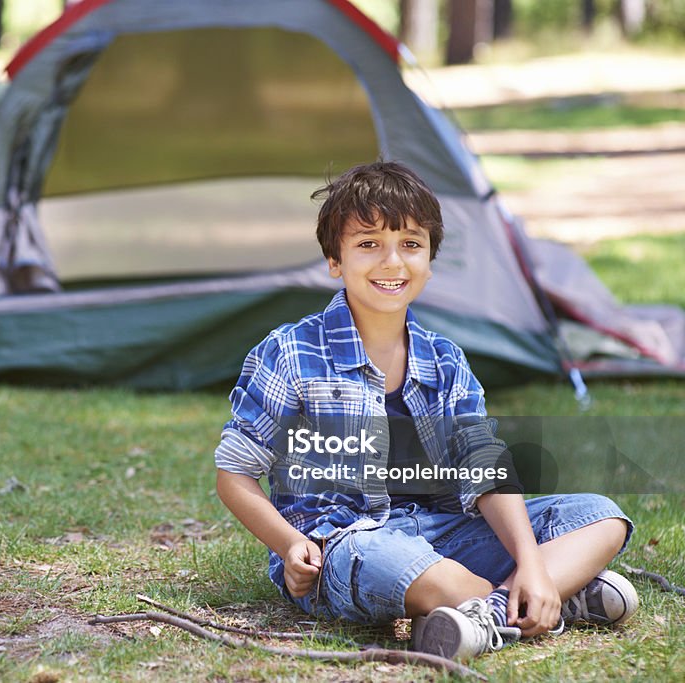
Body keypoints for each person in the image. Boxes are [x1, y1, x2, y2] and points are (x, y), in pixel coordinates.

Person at [213, 161, 637, 660]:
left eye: (410, 244)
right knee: (392, 562)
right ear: (335, 260)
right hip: (344, 544)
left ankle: (502, 605)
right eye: (368, 244)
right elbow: (233, 475)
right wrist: (288, 544)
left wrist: (533, 562)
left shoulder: (445, 359)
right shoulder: (290, 353)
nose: (392, 262)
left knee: (600, 517)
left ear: (430, 261)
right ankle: (546, 602)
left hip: (443, 532)